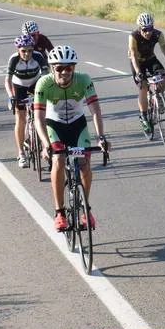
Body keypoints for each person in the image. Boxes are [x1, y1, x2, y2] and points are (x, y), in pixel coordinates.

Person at [34, 45, 109, 232]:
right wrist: (45, 144)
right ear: (52, 69)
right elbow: (39, 118)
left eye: (69, 68)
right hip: (54, 125)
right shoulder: (44, 83)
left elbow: (95, 110)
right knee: (58, 159)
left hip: (77, 124)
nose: (65, 72)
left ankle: (85, 209)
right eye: (59, 68)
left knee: (84, 162)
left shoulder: (83, 80)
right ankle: (59, 212)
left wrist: (101, 137)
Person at [128, 12, 165, 134]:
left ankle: (158, 96)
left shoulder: (158, 34)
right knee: (143, 86)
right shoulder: (133, 36)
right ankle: (144, 117)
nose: (148, 32)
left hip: (150, 59)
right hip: (137, 62)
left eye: (150, 29)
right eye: (145, 30)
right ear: (140, 28)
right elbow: (133, 55)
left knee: (162, 75)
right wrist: (139, 72)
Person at [5, 34, 49, 167]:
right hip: (19, 87)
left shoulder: (38, 57)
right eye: (23, 51)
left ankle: (45, 149)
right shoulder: (14, 59)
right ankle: (21, 153)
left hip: (36, 84)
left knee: (43, 116)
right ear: (18, 49)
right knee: (21, 118)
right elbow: (7, 80)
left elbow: (46, 77)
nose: (27, 53)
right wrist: (11, 96)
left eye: (30, 50)